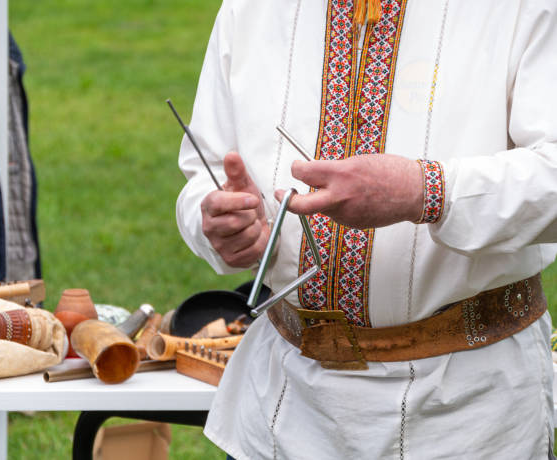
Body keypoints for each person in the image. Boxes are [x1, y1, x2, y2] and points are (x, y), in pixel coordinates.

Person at [176, 0, 557, 458]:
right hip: (284, 402)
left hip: (467, 413)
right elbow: (204, 173)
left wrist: (425, 190)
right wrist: (220, 224)